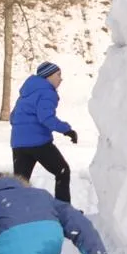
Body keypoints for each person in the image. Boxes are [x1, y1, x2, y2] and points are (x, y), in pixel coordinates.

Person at [9, 61, 79, 203]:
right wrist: (67, 130)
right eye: (58, 75)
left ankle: (17, 215)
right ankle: (63, 211)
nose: (61, 79)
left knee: (21, 183)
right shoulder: (47, 91)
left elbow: (12, 117)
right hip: (38, 143)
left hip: (18, 144)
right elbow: (46, 117)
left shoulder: (26, 92)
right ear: (48, 76)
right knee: (62, 171)